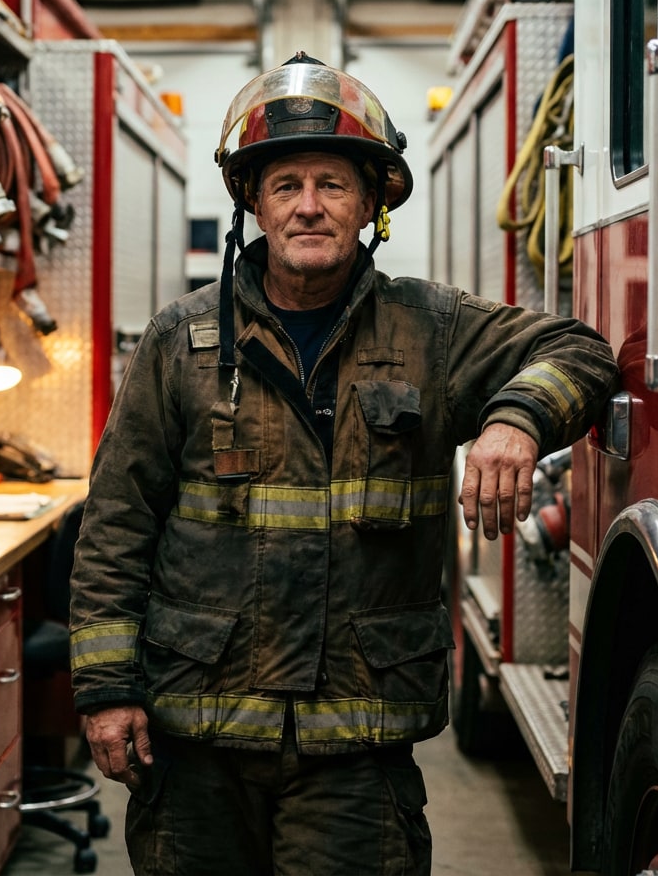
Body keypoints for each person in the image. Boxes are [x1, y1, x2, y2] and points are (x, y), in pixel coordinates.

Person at [68, 52, 619, 876]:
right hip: (199, 742)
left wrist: (517, 419)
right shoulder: (181, 341)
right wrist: (108, 690)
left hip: (355, 749)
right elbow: (116, 521)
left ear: (371, 202)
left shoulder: (430, 329)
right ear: (253, 203)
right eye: (286, 185)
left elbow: (579, 348)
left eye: (332, 183)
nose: (309, 207)